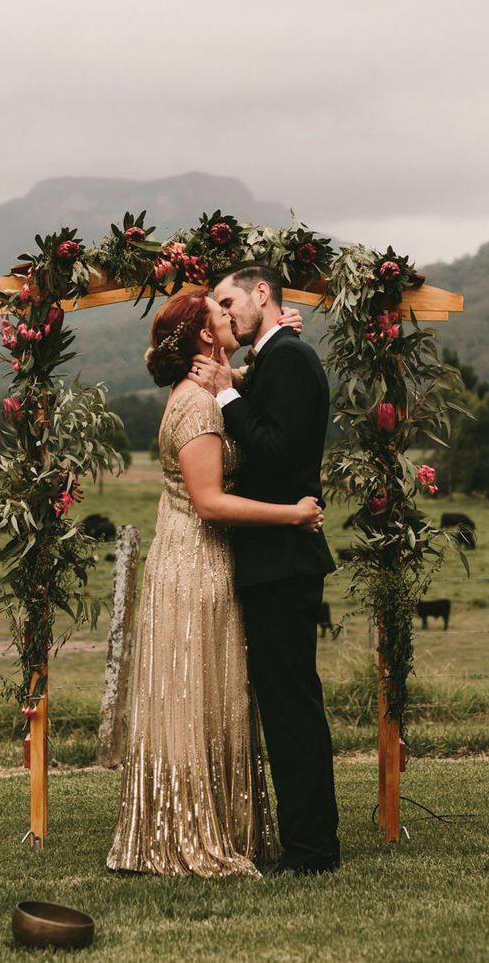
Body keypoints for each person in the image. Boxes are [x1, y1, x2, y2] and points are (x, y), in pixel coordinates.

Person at [106, 290, 322, 878]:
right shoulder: (199, 409)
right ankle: (191, 831)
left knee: (204, 699)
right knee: (201, 698)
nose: (230, 318)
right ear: (204, 337)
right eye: (220, 315)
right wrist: (294, 514)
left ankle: (196, 821)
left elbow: (249, 376)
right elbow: (209, 502)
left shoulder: (205, 389)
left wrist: (278, 336)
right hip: (198, 563)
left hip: (192, 561)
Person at [189, 262, 340, 876]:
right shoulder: (273, 360)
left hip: (284, 560)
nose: (225, 314)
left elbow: (277, 453)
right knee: (284, 703)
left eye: (229, 301)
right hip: (273, 560)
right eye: (216, 308)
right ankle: (307, 841)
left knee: (291, 705)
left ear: (262, 294)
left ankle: (311, 850)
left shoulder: (292, 359)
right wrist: (237, 384)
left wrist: (226, 394)